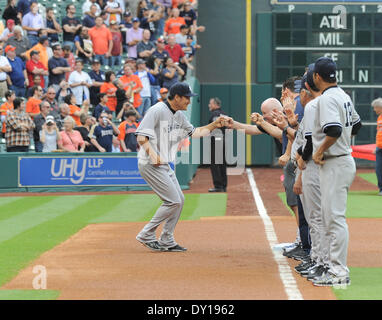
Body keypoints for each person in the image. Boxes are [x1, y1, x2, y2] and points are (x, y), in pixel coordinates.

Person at [135, 82, 231, 252]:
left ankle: (167, 239)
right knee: (173, 201)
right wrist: (152, 153)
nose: (189, 101)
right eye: (186, 98)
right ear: (177, 97)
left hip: (163, 164)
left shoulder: (178, 115)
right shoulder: (157, 110)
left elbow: (195, 133)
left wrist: (215, 125)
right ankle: (146, 234)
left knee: (179, 201)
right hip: (149, 163)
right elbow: (141, 136)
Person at [310, 57, 362, 287]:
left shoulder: (327, 98)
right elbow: (356, 125)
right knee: (329, 218)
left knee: (334, 220)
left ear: (316, 77)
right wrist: (340, 142)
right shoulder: (343, 95)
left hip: (335, 163)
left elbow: (333, 128)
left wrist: (321, 150)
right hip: (340, 160)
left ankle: (339, 272)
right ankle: (332, 268)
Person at [207, 97, 227, 192]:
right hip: (224, 140)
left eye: (210, 103)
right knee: (222, 163)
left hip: (216, 141)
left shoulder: (215, 114)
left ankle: (218, 186)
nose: (209, 105)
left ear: (216, 104)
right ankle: (223, 185)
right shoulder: (224, 114)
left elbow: (214, 129)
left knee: (215, 164)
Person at [371, 98, 382, 196]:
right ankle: (381, 189)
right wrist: (376, 146)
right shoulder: (379, 118)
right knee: (378, 169)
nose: (374, 109)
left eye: (375, 107)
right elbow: (379, 134)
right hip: (379, 148)